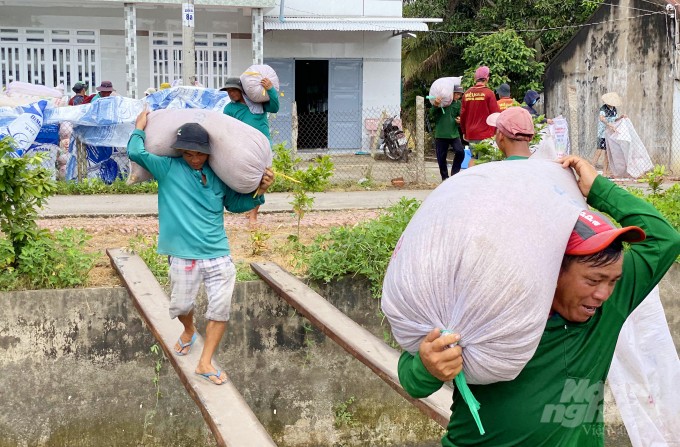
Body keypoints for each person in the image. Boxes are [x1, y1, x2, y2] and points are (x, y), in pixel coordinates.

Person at [398, 119, 680, 445]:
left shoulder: (609, 303)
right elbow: (412, 381)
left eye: (613, 280)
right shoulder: (489, 299)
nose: (604, 293)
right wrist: (428, 365)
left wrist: (600, 188)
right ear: (550, 270)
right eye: (593, 280)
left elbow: (665, 239)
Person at [127, 111, 274, 385]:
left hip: (218, 253)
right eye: (188, 153)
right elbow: (135, 152)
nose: (195, 159)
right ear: (180, 151)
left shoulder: (218, 176)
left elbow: (236, 205)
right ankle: (189, 329)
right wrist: (139, 127)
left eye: (201, 154)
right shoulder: (167, 168)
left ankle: (205, 361)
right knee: (181, 305)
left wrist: (260, 191)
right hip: (183, 255)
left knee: (220, 309)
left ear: (209, 152)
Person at [221, 76, 279, 227]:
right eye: (228, 91)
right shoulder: (229, 109)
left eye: (234, 90)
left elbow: (274, 107)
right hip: (243, 149)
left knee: (263, 178)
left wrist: (270, 89)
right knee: (248, 179)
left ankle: (253, 215)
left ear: (242, 90)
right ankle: (247, 205)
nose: (231, 93)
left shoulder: (257, 103)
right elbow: (227, 130)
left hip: (262, 148)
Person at [460, 66, 500, 153]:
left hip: (471, 133)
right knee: (484, 161)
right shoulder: (489, 93)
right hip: (486, 134)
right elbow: (495, 114)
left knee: (473, 158)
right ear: (487, 78)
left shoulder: (466, 94)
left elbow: (463, 114)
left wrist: (464, 131)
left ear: (475, 79)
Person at [433, 85, 465, 180]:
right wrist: (435, 105)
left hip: (454, 133)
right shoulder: (441, 102)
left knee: (460, 152)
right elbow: (432, 114)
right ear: (451, 93)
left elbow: (460, 117)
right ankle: (445, 177)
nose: (458, 97)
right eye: (456, 94)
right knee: (441, 156)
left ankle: (454, 174)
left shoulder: (458, 104)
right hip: (441, 134)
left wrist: (460, 120)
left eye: (459, 95)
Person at [593, 92, 627, 178]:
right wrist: (609, 124)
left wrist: (622, 117)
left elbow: (615, 120)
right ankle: (591, 170)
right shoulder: (603, 108)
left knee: (607, 154)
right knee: (599, 152)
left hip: (610, 134)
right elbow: (602, 118)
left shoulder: (614, 109)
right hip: (602, 134)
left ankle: (604, 173)